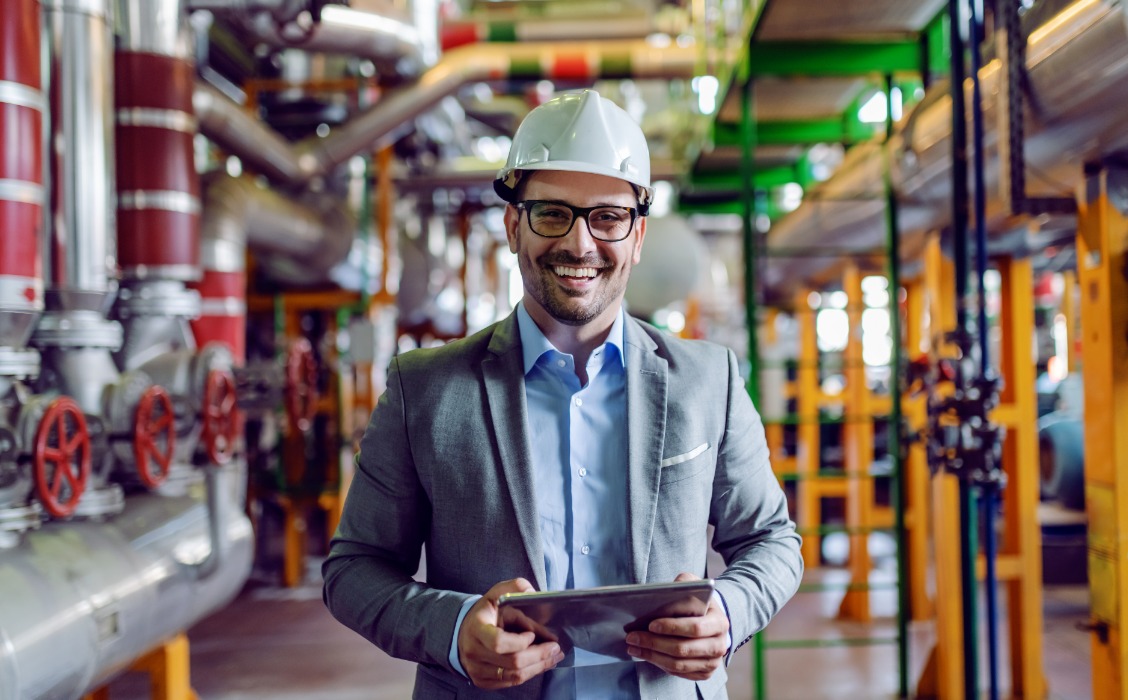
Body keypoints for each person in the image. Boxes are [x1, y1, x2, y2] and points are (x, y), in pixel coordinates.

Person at [323, 89, 803, 700]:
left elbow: (771, 541)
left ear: (637, 235)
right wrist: (453, 628)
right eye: (553, 213)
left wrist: (729, 611)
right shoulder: (425, 390)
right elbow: (353, 569)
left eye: (607, 217)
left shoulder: (707, 381)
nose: (580, 244)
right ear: (513, 224)